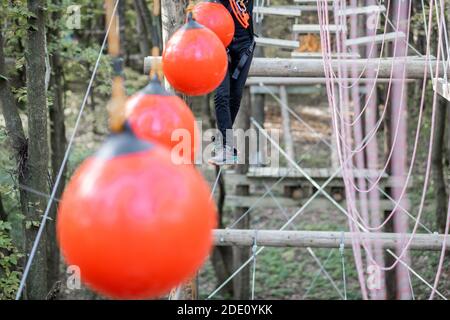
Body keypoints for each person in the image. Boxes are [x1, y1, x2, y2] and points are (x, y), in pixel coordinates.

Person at [208, 0, 255, 166]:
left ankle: (225, 144)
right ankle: (227, 147)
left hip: (244, 44)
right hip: (220, 42)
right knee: (221, 95)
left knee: (235, 96)